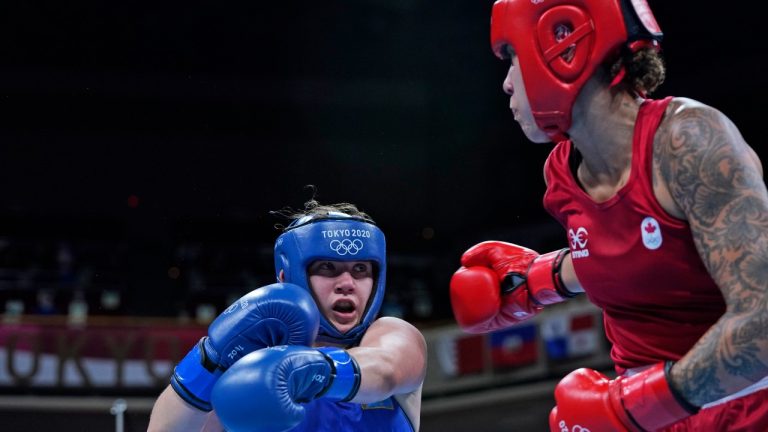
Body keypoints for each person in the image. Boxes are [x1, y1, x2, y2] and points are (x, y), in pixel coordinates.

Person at [449, 1, 768, 431]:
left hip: (744, 410)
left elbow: (763, 322)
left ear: (564, 49)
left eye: (513, 58)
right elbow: (644, 251)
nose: (506, 84)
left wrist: (637, 406)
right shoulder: (562, 173)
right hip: (647, 414)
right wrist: (539, 280)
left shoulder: (686, 141)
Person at [148, 200, 427, 432]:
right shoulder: (251, 372)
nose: (347, 282)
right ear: (286, 277)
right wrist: (210, 359)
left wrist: (304, 371)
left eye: (360, 269)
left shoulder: (391, 335)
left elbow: (387, 370)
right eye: (327, 267)